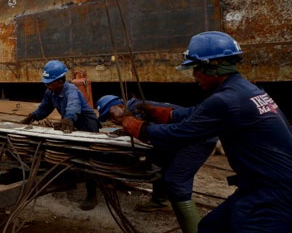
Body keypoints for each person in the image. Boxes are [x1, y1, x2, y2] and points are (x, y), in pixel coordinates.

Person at [109, 31, 292, 232]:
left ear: (212, 67)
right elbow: (194, 113)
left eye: (196, 69)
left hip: (273, 193)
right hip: (262, 185)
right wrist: (156, 112)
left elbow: (176, 135)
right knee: (209, 227)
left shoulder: (225, 100)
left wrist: (132, 124)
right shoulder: (244, 90)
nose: (194, 75)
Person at [97, 95, 217, 233]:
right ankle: (160, 200)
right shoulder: (136, 108)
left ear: (120, 106)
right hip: (186, 135)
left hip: (201, 138)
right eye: (108, 118)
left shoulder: (136, 110)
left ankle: (194, 228)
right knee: (159, 161)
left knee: (175, 180)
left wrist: (139, 130)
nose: (112, 120)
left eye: (111, 115)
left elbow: (159, 134)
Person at [21, 60, 101, 211]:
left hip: (86, 124)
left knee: (89, 159)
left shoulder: (71, 90)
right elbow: (44, 108)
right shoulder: (51, 92)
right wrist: (32, 117)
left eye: (49, 82)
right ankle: (69, 181)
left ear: (59, 80)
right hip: (71, 122)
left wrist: (67, 119)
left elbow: (73, 107)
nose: (46, 85)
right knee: (65, 152)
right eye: (46, 83)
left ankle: (92, 196)